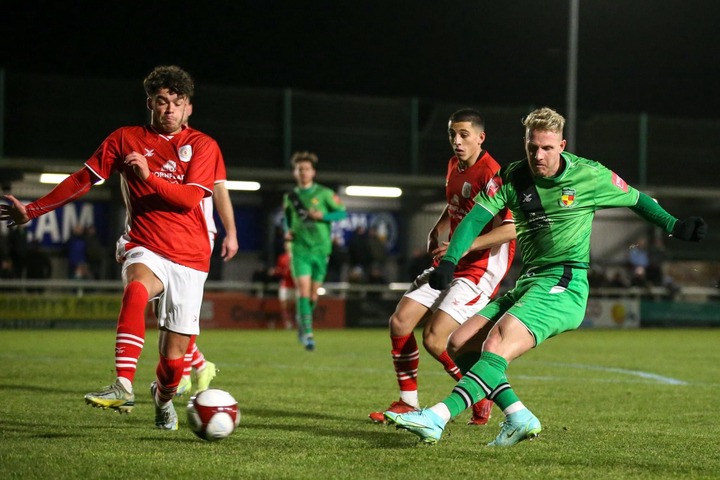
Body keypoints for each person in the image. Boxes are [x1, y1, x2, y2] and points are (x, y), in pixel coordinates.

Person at [384, 106, 707, 446]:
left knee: (497, 342)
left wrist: (675, 226)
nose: (538, 155)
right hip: (531, 282)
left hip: (565, 283)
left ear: (562, 145)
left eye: (547, 148)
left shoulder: (589, 176)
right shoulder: (512, 177)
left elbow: (638, 199)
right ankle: (518, 416)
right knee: (460, 343)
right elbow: (475, 218)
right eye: (532, 147)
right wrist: (450, 260)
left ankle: (437, 417)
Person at [1, 65, 224, 431]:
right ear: (150, 103)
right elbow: (82, 179)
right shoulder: (125, 139)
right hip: (145, 244)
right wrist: (34, 209)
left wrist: (148, 177)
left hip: (190, 257)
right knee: (136, 288)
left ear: (188, 109)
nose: (169, 109)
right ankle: (122, 384)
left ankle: (162, 397)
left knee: (172, 364)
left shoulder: (203, 145)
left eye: (177, 103)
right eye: (162, 101)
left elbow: (187, 200)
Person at [368, 108, 516, 426]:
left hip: (480, 268)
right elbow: (457, 206)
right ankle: (408, 402)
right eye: (452, 134)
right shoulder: (453, 165)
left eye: (464, 134)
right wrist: (439, 225)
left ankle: (482, 395)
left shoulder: (494, 174)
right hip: (452, 261)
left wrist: (463, 246)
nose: (457, 141)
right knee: (400, 322)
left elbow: (511, 229)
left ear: (481, 137)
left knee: (436, 339)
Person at [283, 151, 347, 351]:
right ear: (295, 172)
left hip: (321, 249)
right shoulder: (290, 197)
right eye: (299, 169)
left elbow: (342, 213)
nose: (303, 172)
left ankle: (302, 320)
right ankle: (308, 333)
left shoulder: (324, 194)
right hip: (300, 249)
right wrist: (288, 233)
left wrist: (323, 216)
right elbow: (287, 221)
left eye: (306, 169)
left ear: (313, 172)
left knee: (312, 295)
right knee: (302, 289)